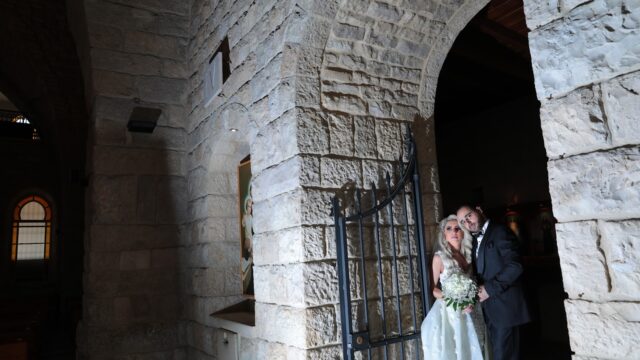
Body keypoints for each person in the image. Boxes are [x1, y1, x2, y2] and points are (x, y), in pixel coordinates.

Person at [456, 205, 530, 360]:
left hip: (505, 308)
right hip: (489, 310)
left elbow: (515, 266)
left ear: (479, 210)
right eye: (463, 222)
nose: (468, 223)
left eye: (469, 216)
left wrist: (489, 289)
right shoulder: (474, 242)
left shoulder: (500, 231)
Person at [421, 215, 488, 359]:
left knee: (477, 347)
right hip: (452, 312)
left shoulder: (468, 257)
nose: (454, 232)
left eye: (457, 228)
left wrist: (471, 299)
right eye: (449, 229)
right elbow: (434, 290)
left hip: (473, 309)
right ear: (444, 234)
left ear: (463, 233)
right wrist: (458, 302)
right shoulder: (439, 258)